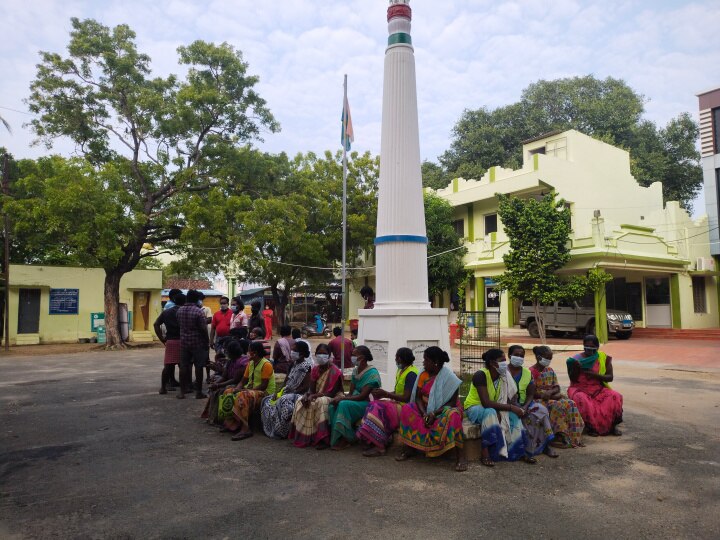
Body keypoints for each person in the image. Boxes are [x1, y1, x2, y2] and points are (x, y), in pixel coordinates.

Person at [396, 346, 467, 472]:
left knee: (453, 415)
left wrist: (434, 413)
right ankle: (409, 449)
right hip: (425, 408)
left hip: (444, 409)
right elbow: (418, 397)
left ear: (435, 362)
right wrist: (425, 414)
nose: (423, 363)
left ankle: (461, 457)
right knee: (407, 408)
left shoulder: (451, 378)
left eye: (426, 360)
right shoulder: (423, 374)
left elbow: (451, 403)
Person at [464, 348, 529, 466]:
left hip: (492, 408)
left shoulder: (502, 376)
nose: (505, 363)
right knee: (490, 412)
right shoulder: (481, 375)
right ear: (493, 363)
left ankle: (518, 451)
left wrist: (517, 408)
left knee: (513, 415)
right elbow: (486, 403)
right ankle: (486, 453)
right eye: (502, 360)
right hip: (474, 407)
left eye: (505, 360)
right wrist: (510, 407)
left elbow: (510, 396)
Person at [356, 347, 418, 457]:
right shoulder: (401, 370)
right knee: (373, 404)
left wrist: (386, 394)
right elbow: (398, 391)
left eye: (396, 358)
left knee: (378, 409)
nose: (395, 361)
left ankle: (379, 446)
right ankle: (372, 439)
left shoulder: (411, 373)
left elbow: (406, 397)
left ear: (400, 359)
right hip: (397, 403)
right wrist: (383, 394)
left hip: (406, 407)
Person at [289, 344, 344, 449]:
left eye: (324, 353)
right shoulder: (315, 369)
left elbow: (331, 392)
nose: (321, 356)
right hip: (317, 394)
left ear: (329, 355)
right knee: (300, 400)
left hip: (332, 396)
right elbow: (312, 389)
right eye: (319, 353)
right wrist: (307, 395)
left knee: (321, 402)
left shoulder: (335, 371)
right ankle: (305, 436)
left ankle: (323, 439)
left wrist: (314, 396)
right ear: (315, 355)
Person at [567, 335, 623, 436]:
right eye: (586, 347)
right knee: (581, 399)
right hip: (579, 388)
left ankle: (612, 426)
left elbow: (610, 377)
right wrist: (576, 368)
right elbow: (572, 379)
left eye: (592, 347)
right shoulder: (576, 359)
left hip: (597, 388)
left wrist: (594, 375)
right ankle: (590, 427)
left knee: (615, 396)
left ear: (597, 347)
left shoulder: (603, 358)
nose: (589, 350)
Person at [507, 345, 557, 459]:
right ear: (509, 356)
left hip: (525, 404)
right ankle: (526, 451)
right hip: (508, 405)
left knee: (542, 410)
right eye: (516, 355)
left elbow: (531, 393)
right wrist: (515, 407)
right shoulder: (503, 372)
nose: (519, 357)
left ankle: (546, 445)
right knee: (525, 420)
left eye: (522, 356)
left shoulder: (526, 372)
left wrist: (525, 406)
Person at [530, 345, 585, 448]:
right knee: (558, 405)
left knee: (571, 403)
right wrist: (545, 395)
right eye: (547, 358)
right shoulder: (531, 372)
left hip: (550, 396)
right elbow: (531, 392)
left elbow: (557, 387)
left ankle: (575, 437)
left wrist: (550, 392)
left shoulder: (550, 370)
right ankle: (560, 436)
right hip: (539, 399)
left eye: (550, 358)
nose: (548, 361)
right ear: (538, 357)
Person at [328, 345, 382, 450]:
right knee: (332, 405)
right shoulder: (355, 371)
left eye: (354, 355)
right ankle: (337, 436)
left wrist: (343, 399)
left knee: (343, 404)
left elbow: (362, 396)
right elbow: (351, 393)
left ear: (361, 358)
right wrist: (341, 397)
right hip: (355, 399)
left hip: (366, 402)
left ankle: (347, 439)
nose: (351, 357)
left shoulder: (372, 373)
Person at [220, 341, 276, 441]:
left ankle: (245, 429)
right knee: (228, 392)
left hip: (265, 393)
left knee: (243, 395)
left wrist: (246, 390)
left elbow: (263, 386)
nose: (247, 353)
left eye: (249, 351)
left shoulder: (266, 364)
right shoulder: (250, 364)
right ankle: (231, 423)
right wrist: (237, 388)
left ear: (255, 353)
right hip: (251, 390)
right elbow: (243, 381)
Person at [261, 340, 313, 439]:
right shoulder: (292, 364)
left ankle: (282, 431)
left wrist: (290, 393)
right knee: (266, 400)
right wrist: (279, 391)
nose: (291, 352)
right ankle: (271, 428)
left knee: (283, 402)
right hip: (287, 392)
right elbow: (286, 381)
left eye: (294, 350)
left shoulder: (307, 367)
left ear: (301, 354)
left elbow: (305, 387)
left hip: (299, 394)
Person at [201, 339, 250, 424]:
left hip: (239, 384)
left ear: (232, 352)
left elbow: (235, 379)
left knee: (223, 390)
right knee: (215, 390)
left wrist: (218, 385)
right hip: (231, 381)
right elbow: (224, 376)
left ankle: (220, 419)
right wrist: (216, 384)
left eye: (227, 351)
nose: (226, 353)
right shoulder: (231, 361)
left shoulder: (242, 362)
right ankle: (212, 416)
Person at [177, 289, 210, 399]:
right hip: (197, 343)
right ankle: (199, 392)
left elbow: (179, 325)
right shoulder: (198, 311)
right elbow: (203, 329)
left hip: (184, 343)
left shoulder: (180, 310)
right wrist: (207, 341)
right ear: (197, 299)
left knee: (183, 366)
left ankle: (182, 392)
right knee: (199, 366)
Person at [153, 292, 185, 394]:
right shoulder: (184, 312)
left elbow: (156, 324)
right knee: (183, 366)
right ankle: (185, 388)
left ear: (174, 301)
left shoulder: (167, 312)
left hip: (170, 340)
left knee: (168, 365)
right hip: (183, 340)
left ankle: (163, 387)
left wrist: (162, 339)